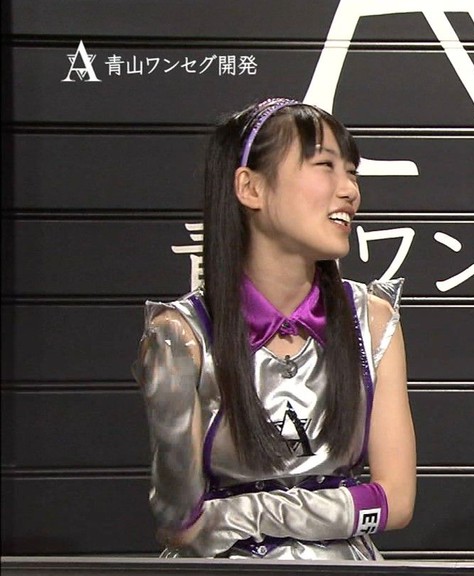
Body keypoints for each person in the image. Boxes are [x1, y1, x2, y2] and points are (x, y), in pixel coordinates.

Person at [133, 97, 416, 560]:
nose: (350, 190)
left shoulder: (373, 319)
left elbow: (396, 502)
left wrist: (236, 514)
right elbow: (180, 522)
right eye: (324, 166)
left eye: (352, 172)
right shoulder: (181, 336)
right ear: (251, 188)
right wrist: (343, 505)